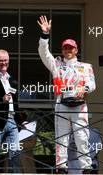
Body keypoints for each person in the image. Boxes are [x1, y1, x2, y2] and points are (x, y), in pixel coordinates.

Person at [37, 15, 96, 173]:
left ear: (76, 50)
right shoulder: (56, 65)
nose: (68, 50)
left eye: (71, 48)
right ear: (62, 50)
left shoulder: (86, 66)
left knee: (82, 137)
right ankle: (61, 167)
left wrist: (84, 89)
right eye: (65, 48)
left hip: (79, 105)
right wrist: (45, 35)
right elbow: (43, 53)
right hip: (61, 104)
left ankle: (86, 167)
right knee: (61, 138)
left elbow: (92, 83)